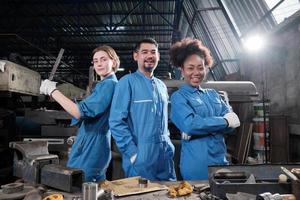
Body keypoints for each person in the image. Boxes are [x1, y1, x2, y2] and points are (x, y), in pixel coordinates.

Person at [39, 45, 119, 182]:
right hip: (93, 144)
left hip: (92, 147)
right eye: (96, 61)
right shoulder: (105, 85)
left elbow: (79, 112)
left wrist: (52, 91)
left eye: (104, 59)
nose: (99, 64)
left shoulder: (108, 85)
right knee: (93, 190)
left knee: (79, 187)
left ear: (114, 62)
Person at [169, 38, 240, 180]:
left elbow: (234, 124)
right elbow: (190, 125)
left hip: (220, 161)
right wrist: (223, 122)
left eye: (200, 67)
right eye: (190, 68)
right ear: (182, 70)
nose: (196, 72)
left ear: (206, 68)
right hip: (196, 165)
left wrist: (204, 125)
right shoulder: (179, 97)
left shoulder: (213, 94)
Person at [109, 38, 176, 181]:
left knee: (168, 194)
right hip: (141, 156)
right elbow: (116, 122)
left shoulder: (161, 86)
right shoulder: (126, 83)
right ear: (136, 56)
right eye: (144, 52)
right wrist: (132, 153)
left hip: (165, 155)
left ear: (158, 56)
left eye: (153, 52)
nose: (150, 56)